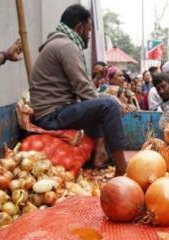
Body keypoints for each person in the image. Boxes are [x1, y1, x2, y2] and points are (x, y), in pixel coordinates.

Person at [29, 4, 127, 175]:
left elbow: (85, 93)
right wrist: (113, 102)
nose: (89, 35)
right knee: (109, 105)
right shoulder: (66, 46)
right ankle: (122, 168)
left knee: (100, 104)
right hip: (51, 116)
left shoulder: (59, 43)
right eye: (88, 30)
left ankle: (98, 156)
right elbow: (85, 90)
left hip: (52, 112)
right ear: (79, 27)